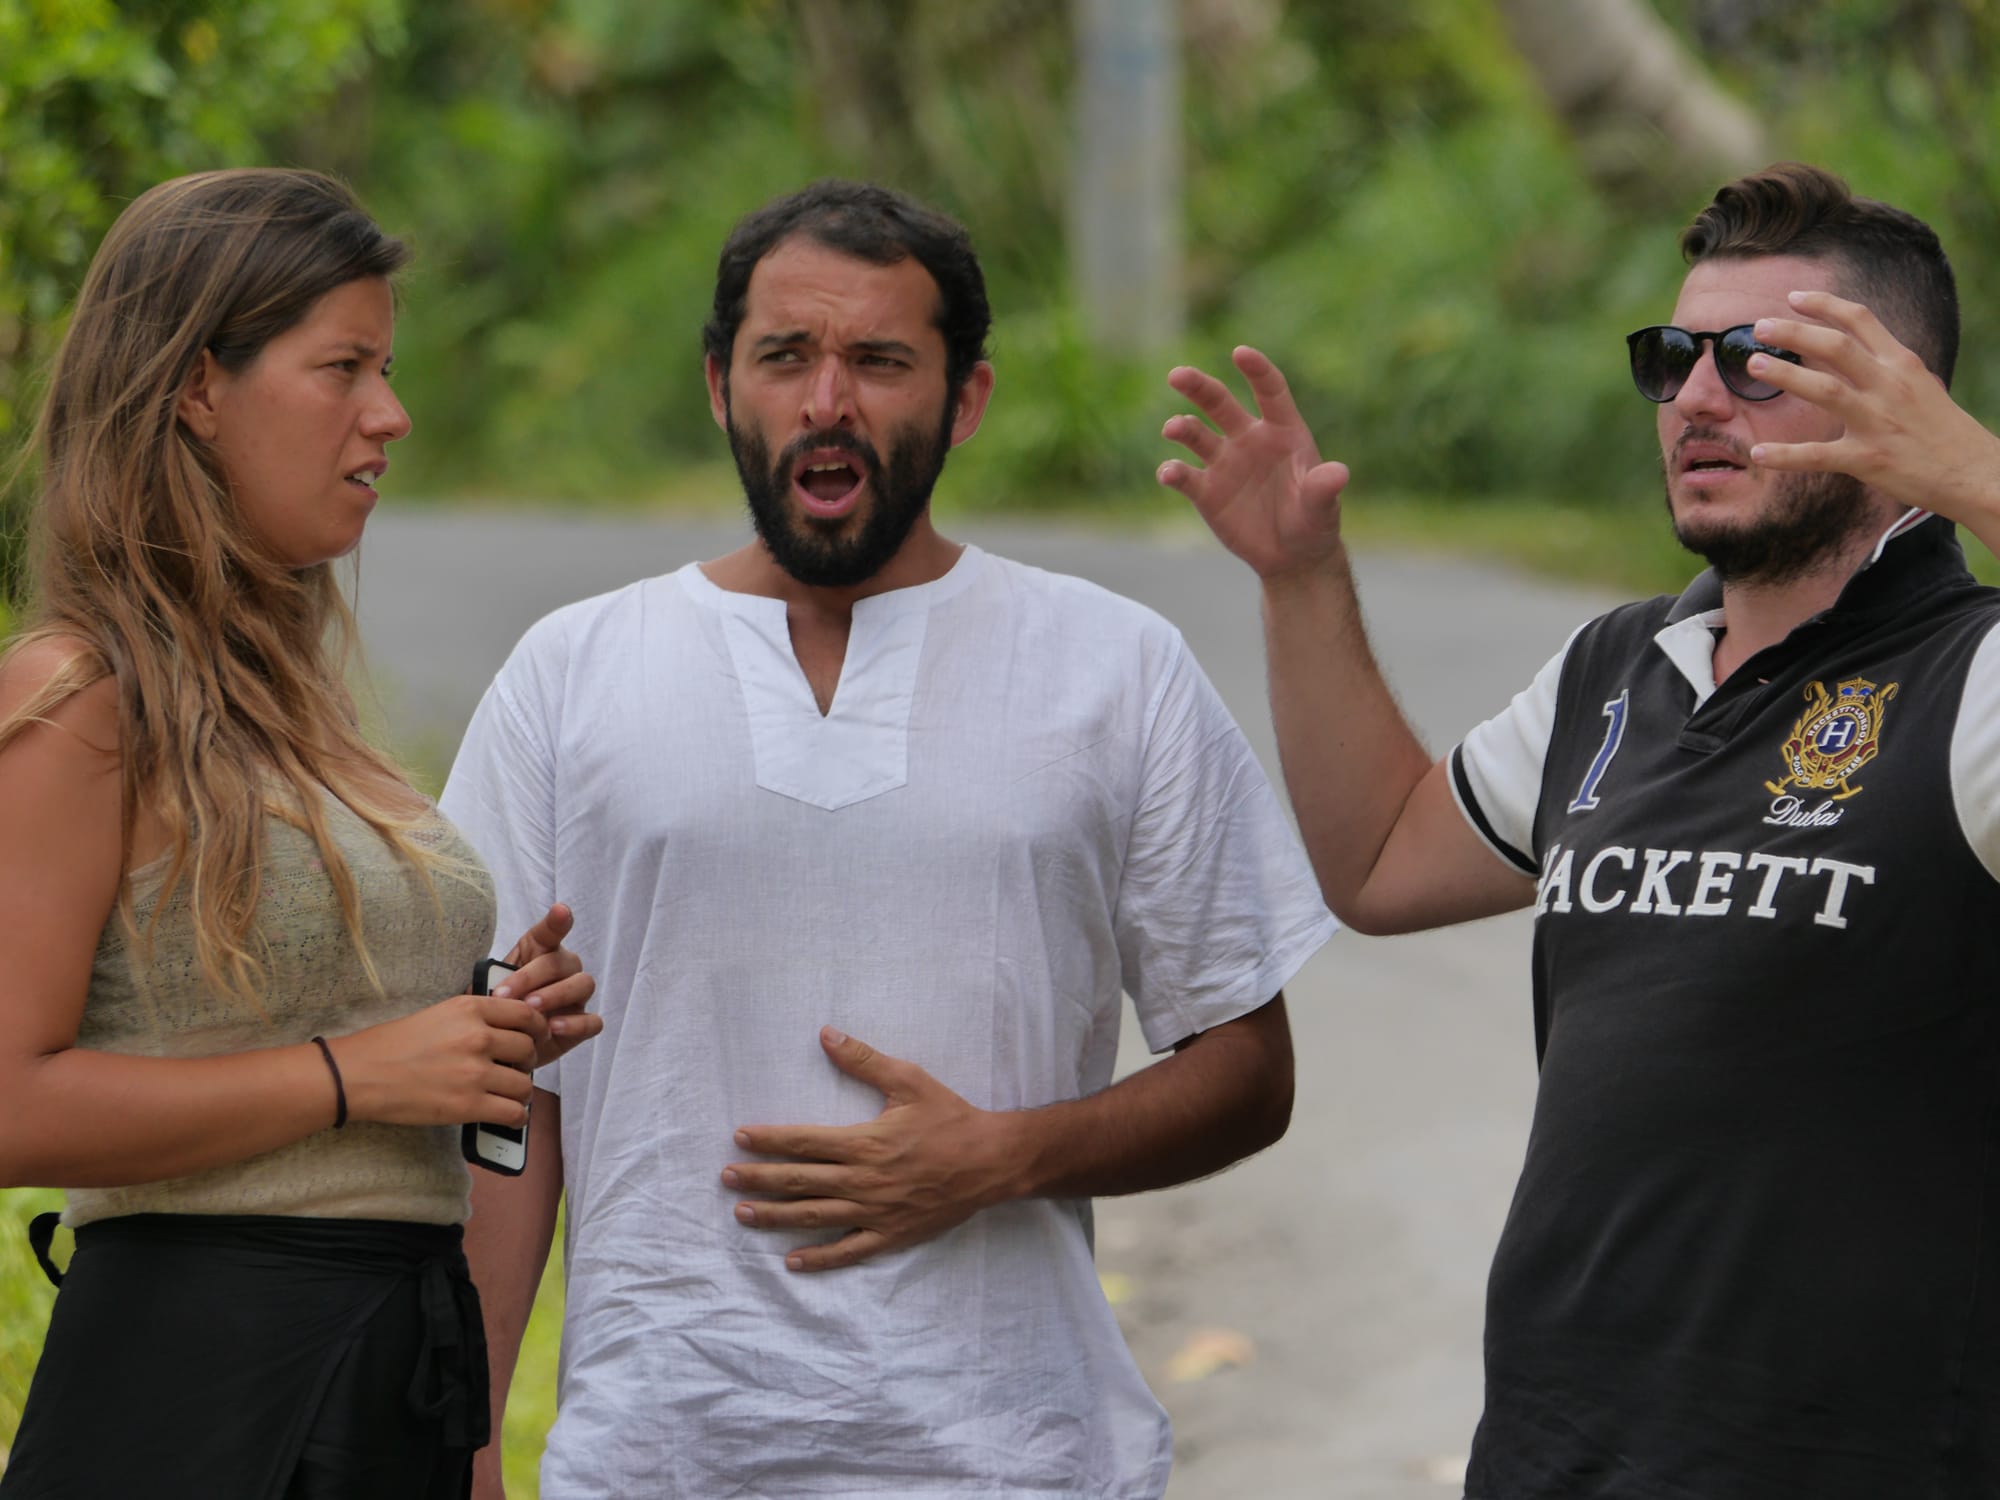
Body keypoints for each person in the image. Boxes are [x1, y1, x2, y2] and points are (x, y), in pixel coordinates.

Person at [440, 178, 1334, 1498]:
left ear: (965, 400)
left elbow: (1248, 1070)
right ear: (718, 385)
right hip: (658, 1459)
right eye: (785, 356)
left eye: (879, 361)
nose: (826, 402)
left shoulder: (1114, 668)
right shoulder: (570, 676)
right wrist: (467, 1444)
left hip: (1018, 1459)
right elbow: (502, 1094)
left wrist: (1006, 1155)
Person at [1159, 160, 2000, 1497]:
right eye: (1673, 358)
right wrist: (1301, 582)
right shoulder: (1622, 666)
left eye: (1760, 360)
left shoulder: (1975, 686)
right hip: (1563, 1456)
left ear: (1903, 399)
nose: (1697, 398)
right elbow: (1378, 859)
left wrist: (1975, 473)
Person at [0, 168, 601, 1500]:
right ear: (197, 388)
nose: (390, 416)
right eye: (343, 369)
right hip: (204, 1386)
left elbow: (280, 1018)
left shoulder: (305, 710)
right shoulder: (80, 695)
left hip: (398, 1362)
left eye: (386, 368)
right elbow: (7, 1101)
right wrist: (362, 1073)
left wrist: (484, 1027)